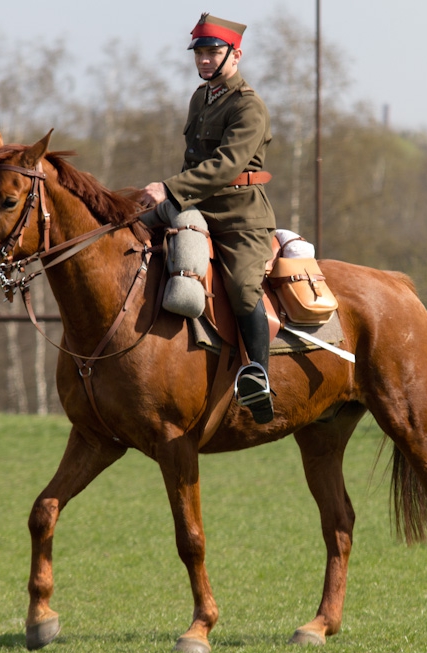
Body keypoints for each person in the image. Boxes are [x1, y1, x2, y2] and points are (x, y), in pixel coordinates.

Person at [141, 13, 277, 424]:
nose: (204, 59)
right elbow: (193, 159)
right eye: (200, 52)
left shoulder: (249, 105)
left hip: (240, 216)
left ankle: (258, 376)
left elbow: (224, 164)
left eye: (213, 51)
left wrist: (170, 188)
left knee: (242, 290)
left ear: (235, 54)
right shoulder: (201, 98)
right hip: (195, 206)